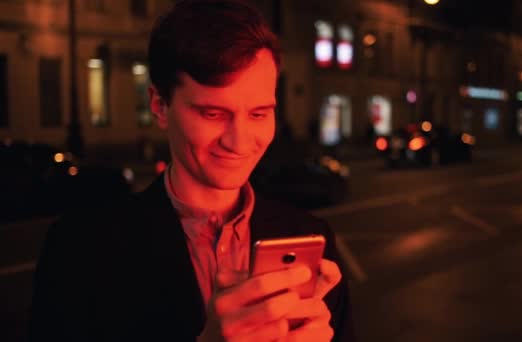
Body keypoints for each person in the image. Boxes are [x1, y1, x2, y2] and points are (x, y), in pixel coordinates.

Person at [28, 0, 355, 341]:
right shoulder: (81, 249)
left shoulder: (311, 238)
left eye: (259, 114)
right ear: (160, 106)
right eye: (213, 114)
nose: (240, 141)